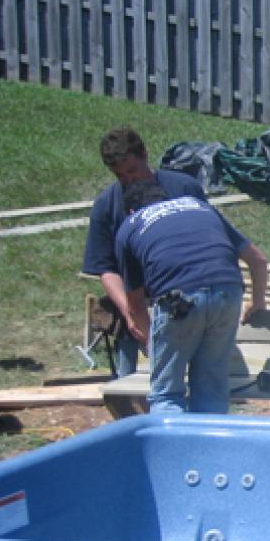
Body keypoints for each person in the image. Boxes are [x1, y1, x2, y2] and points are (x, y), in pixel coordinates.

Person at [116, 180, 269, 413]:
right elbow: (258, 260)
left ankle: (173, 447)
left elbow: (135, 305)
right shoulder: (198, 206)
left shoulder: (130, 225)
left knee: (167, 395)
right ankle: (210, 447)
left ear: (130, 210)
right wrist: (257, 302)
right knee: (211, 391)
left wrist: (153, 343)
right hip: (228, 292)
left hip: (178, 301)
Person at [83, 128, 208, 377]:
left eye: (132, 171)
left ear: (145, 156)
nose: (128, 180)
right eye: (119, 175)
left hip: (186, 291)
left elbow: (204, 244)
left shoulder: (184, 188)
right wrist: (131, 312)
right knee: (129, 370)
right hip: (135, 295)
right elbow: (106, 269)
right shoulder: (106, 205)